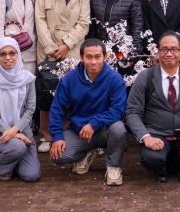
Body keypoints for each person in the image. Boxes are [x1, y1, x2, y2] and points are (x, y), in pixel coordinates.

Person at [126, 31, 180, 186]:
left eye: (174, 49)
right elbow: (132, 112)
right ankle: (162, 167)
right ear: (157, 52)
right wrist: (146, 137)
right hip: (157, 134)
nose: (169, 53)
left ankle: (175, 161)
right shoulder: (145, 77)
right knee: (152, 158)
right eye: (164, 49)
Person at [49, 39, 127, 186]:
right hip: (79, 131)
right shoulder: (69, 79)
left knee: (119, 129)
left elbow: (118, 110)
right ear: (81, 58)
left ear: (105, 57)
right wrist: (57, 136)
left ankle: (113, 165)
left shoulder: (115, 79)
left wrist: (94, 123)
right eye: (88, 57)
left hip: (104, 130)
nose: (93, 62)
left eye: (98, 57)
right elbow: (57, 108)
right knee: (58, 157)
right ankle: (86, 154)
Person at [34, 0, 91, 152]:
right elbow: (39, 18)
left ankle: (67, 132)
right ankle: (47, 134)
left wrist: (67, 44)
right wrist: (49, 45)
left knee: (70, 91)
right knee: (48, 89)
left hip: (73, 48)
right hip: (48, 47)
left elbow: (84, 22)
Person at [0, 38, 41, 182]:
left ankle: (13, 160)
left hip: (23, 131)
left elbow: (30, 109)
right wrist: (10, 132)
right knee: (17, 147)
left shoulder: (28, 79)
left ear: (18, 54)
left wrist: (16, 130)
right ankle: (2, 168)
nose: (7, 57)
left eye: (12, 53)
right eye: (3, 54)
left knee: (32, 175)